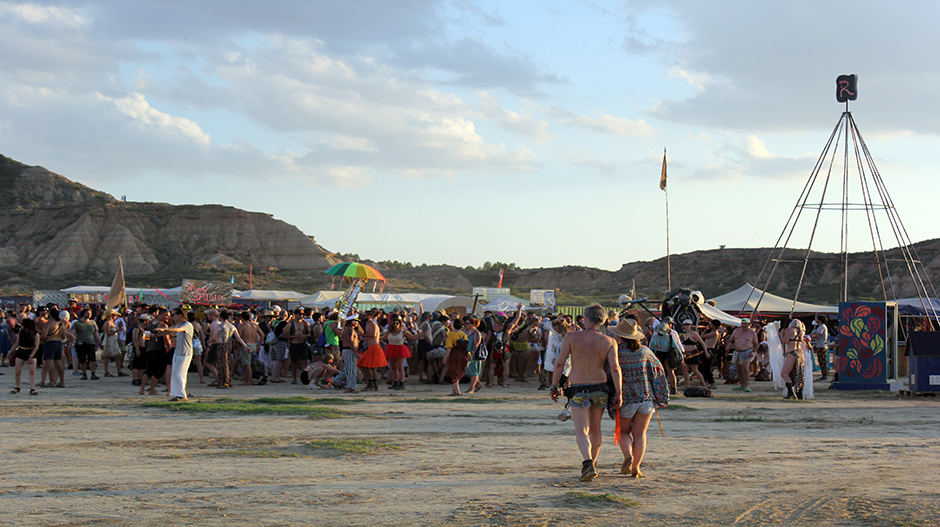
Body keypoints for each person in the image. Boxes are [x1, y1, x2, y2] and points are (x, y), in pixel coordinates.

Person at [550, 304, 622, 482]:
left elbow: (560, 363)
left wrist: (554, 386)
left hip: (578, 388)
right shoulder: (609, 341)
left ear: (585, 318)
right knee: (595, 429)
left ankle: (588, 462)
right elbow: (615, 368)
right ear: (604, 320)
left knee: (582, 429)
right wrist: (619, 392)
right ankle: (593, 463)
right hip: (599, 388)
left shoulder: (572, 337)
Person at [608, 318, 669, 478]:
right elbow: (658, 372)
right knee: (640, 434)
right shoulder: (646, 351)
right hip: (646, 399)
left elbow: (608, 373)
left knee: (624, 433)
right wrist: (659, 395)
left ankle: (628, 456)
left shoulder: (615, 354)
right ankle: (636, 468)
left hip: (625, 400)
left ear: (619, 337)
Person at [156, 308, 194, 402]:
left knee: (180, 374)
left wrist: (164, 328)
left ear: (180, 315)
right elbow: (169, 331)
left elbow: (177, 330)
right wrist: (155, 335)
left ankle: (183, 396)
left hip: (185, 353)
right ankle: (177, 394)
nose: (171, 317)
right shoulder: (178, 324)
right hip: (178, 351)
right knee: (175, 373)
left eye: (173, 315)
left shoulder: (187, 325)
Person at [383, 315, 416, 391]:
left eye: (397, 323)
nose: (395, 325)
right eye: (394, 323)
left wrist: (418, 333)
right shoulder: (389, 332)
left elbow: (413, 337)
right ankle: (396, 382)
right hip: (391, 348)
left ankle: (402, 382)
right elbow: (382, 337)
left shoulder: (403, 332)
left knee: (400, 367)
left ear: (399, 324)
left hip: (400, 349)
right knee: (393, 367)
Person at [10, 318, 40, 395]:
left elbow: (36, 346)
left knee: (32, 371)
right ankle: (17, 387)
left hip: (31, 351)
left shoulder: (36, 334)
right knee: (17, 371)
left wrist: (31, 356)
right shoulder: (21, 332)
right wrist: (10, 351)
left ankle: (32, 388)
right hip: (21, 351)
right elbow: (17, 343)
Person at [727, 318, 759, 392]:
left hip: (747, 351)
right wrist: (727, 345)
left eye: (745, 324)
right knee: (739, 369)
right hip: (737, 351)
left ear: (748, 324)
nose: (744, 325)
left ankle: (746, 385)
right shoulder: (736, 331)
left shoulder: (752, 333)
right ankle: (742, 384)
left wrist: (753, 351)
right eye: (742, 323)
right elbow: (730, 339)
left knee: (745, 368)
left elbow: (756, 344)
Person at [72, 308, 101, 380]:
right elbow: (72, 333)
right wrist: (71, 341)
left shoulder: (92, 323)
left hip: (90, 343)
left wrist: (100, 343)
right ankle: (84, 374)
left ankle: (93, 374)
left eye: (90, 313)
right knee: (82, 360)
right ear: (83, 314)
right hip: (80, 343)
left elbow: (96, 333)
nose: (89, 315)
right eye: (87, 313)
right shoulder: (77, 323)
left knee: (92, 359)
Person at [283, 308, 311, 385]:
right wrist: (295, 337)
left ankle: (305, 378)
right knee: (294, 362)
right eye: (299, 314)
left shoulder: (305, 324)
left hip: (303, 344)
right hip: (294, 344)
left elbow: (309, 334)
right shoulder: (290, 324)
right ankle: (294, 378)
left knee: (304, 362)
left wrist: (304, 336)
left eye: (302, 314)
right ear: (295, 315)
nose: (301, 316)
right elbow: (285, 335)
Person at [781, 319, 806, 399]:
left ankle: (791, 392)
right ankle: (799, 393)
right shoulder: (802, 332)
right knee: (798, 374)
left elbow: (785, 340)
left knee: (784, 373)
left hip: (791, 353)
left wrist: (781, 335)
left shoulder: (789, 330)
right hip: (800, 353)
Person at [679, 319, 708, 390]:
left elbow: (702, 343)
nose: (686, 326)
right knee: (684, 369)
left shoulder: (693, 333)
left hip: (694, 353)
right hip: (687, 354)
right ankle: (687, 385)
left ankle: (704, 384)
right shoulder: (685, 334)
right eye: (685, 325)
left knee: (695, 370)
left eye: (688, 325)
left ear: (691, 325)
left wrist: (706, 352)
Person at [444, 318, 468, 396]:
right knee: (459, 370)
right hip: (463, 354)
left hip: (455, 353)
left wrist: (445, 357)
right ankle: (455, 389)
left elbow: (449, 347)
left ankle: (456, 390)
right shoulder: (464, 334)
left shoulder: (451, 334)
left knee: (454, 371)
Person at [811, 314, 830, 381]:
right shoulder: (819, 327)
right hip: (820, 346)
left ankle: (825, 375)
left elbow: (817, 336)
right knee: (820, 361)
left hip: (822, 346)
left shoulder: (822, 327)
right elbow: (814, 333)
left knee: (822, 361)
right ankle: (823, 374)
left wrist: (810, 337)